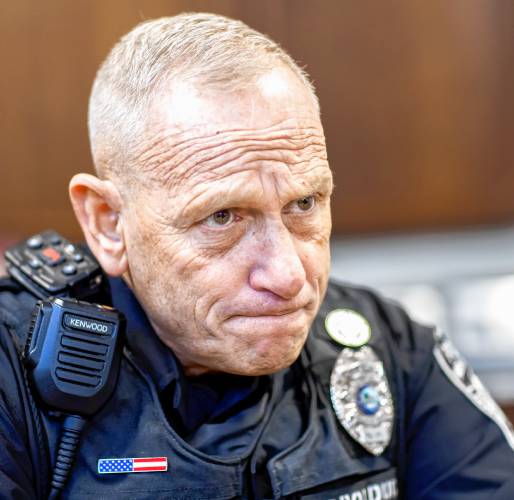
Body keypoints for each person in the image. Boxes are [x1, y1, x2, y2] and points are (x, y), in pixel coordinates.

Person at [1, 12, 513, 500]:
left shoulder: (388, 349)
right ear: (109, 224)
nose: (289, 276)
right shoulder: (12, 373)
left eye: (304, 204)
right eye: (222, 217)